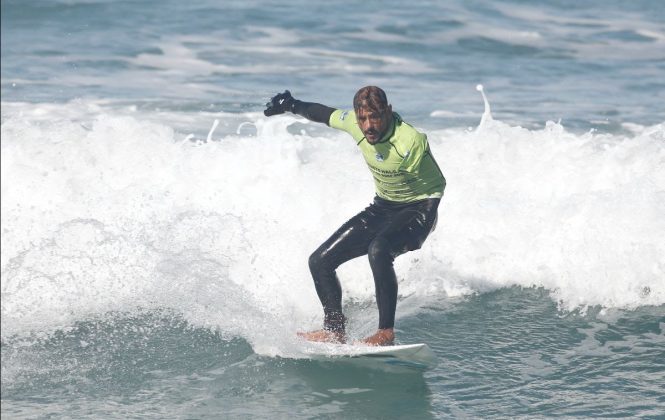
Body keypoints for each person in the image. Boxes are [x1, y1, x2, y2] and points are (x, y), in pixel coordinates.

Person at [264, 86, 445, 346]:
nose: (369, 126)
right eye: (363, 119)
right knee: (319, 261)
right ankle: (334, 330)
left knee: (379, 249)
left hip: (420, 207)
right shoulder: (354, 123)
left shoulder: (411, 141)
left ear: (388, 112)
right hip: (382, 206)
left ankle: (385, 332)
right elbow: (321, 113)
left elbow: (438, 182)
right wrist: (291, 104)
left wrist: (428, 218)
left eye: (376, 117)